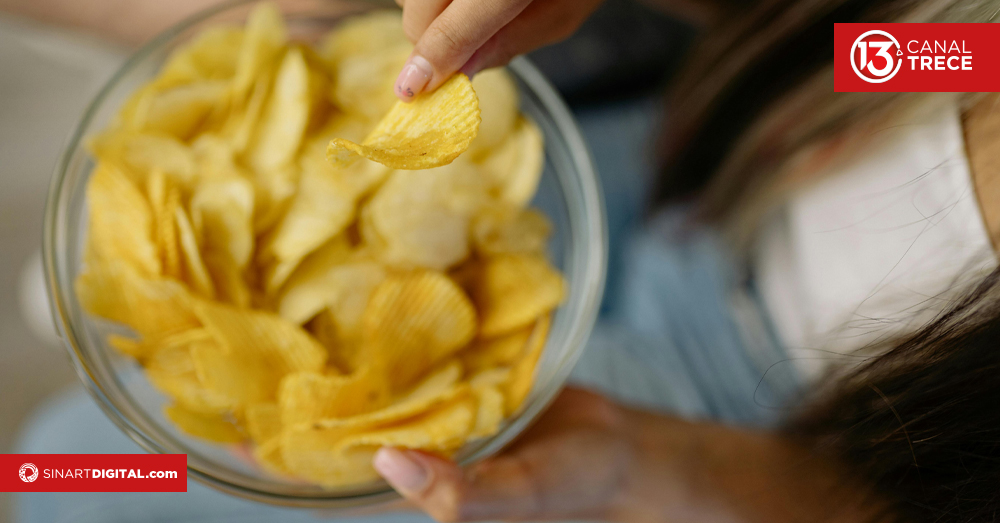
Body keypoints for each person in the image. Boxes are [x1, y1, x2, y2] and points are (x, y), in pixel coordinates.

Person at [5, 0, 1000, 522]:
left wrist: (674, 473)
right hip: (696, 165)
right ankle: (147, 330)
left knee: (53, 473)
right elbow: (867, 48)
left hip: (759, 442)